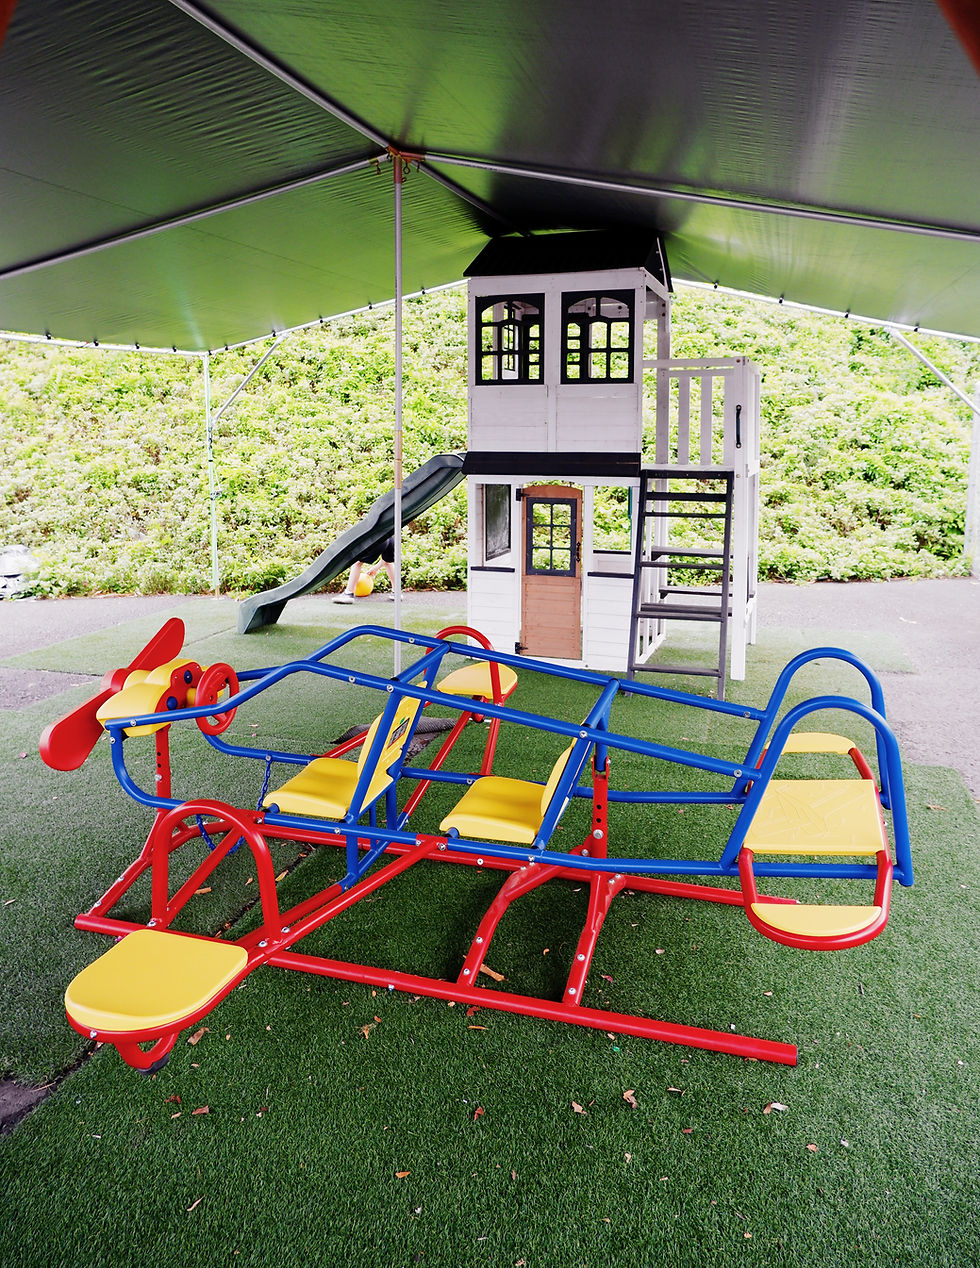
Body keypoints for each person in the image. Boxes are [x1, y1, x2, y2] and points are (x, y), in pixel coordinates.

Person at [333, 535, 397, 603]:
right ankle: (396, 592)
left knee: (357, 562)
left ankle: (348, 593)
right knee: (388, 562)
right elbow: (387, 560)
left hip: (378, 536)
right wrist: (375, 568)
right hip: (391, 536)